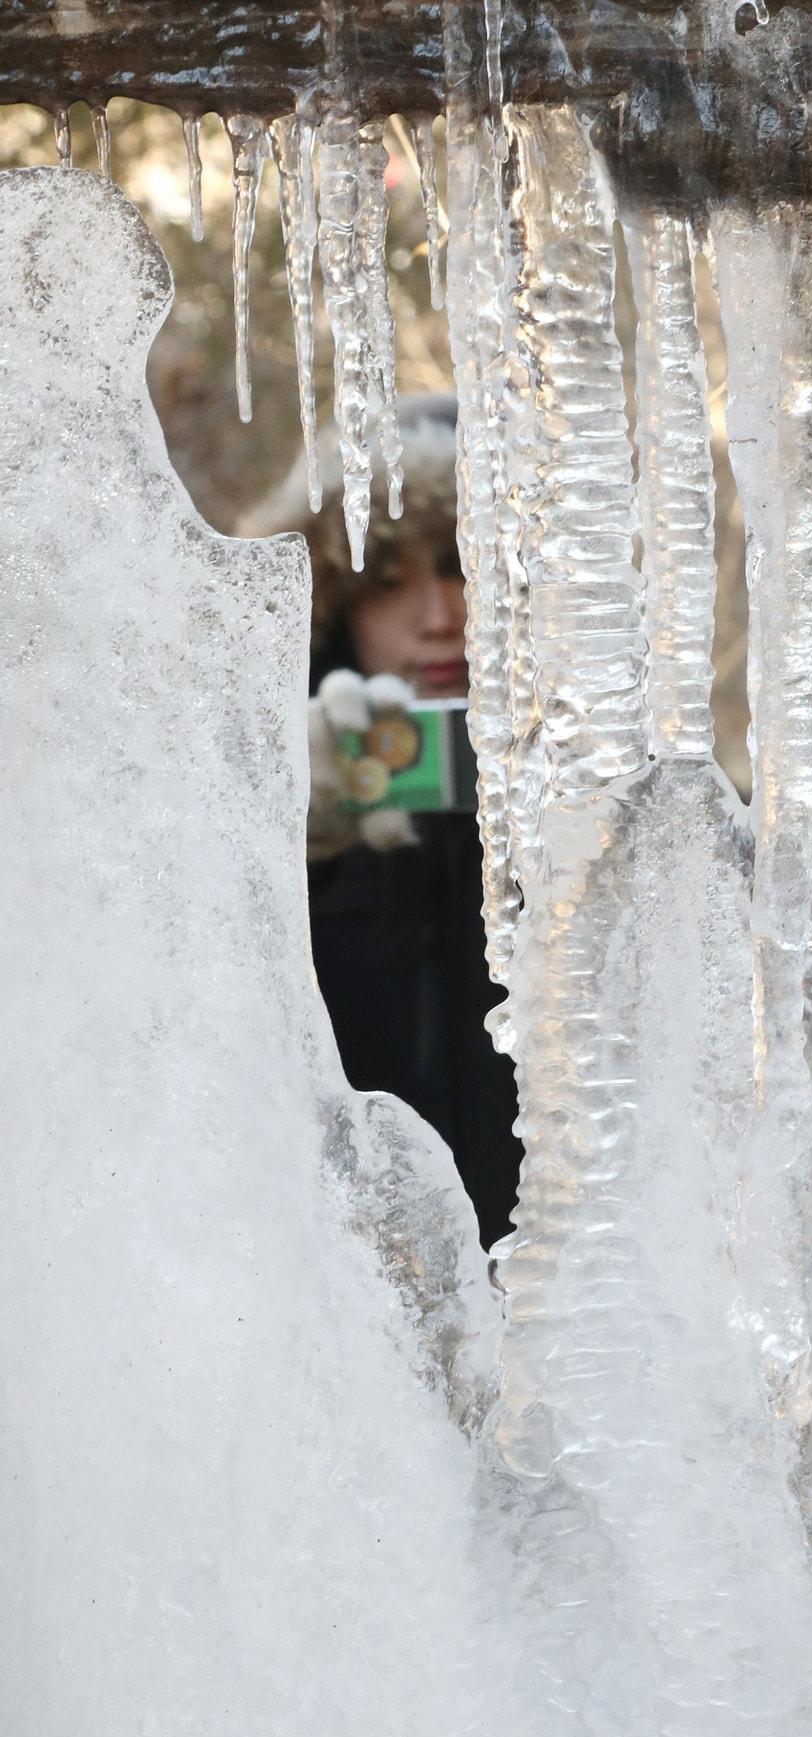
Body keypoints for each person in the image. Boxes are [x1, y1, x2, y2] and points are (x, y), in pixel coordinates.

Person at [244, 393, 522, 1250]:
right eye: (388, 583)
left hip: (567, 1301)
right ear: (330, 603)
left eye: (464, 566)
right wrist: (292, 834)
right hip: (342, 1295)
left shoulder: (623, 777)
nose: (439, 617)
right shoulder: (246, 791)